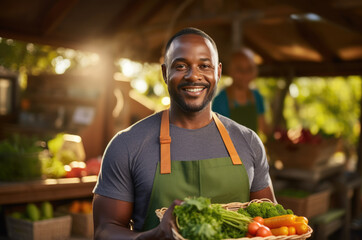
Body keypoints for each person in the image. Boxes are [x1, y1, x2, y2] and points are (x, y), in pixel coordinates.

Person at [92, 27, 276, 240]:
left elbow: (269, 224)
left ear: (218, 72)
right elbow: (104, 230)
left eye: (204, 66)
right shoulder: (127, 144)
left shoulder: (248, 141)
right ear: (164, 72)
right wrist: (155, 236)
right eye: (180, 66)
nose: (193, 76)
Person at [212, 48, 271, 136]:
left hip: (252, 149)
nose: (245, 74)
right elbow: (216, 135)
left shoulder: (256, 96)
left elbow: (263, 127)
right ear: (230, 71)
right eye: (239, 69)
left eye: (249, 69)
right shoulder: (220, 101)